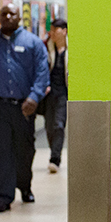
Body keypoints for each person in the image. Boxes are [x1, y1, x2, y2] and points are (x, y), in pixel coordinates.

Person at [0, 3, 49, 213]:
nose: (7, 16)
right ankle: (3, 197)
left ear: (19, 17)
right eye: (3, 14)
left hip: (24, 108)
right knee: (0, 152)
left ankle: (24, 186)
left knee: (24, 151)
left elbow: (42, 72)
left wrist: (34, 97)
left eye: (11, 13)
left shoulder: (33, 44)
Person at [44, 18, 68, 173]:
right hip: (48, 94)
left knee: (59, 125)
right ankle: (54, 151)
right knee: (49, 127)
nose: (52, 33)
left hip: (63, 93)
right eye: (51, 30)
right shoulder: (46, 48)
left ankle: (55, 159)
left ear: (64, 31)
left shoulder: (71, 50)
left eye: (55, 30)